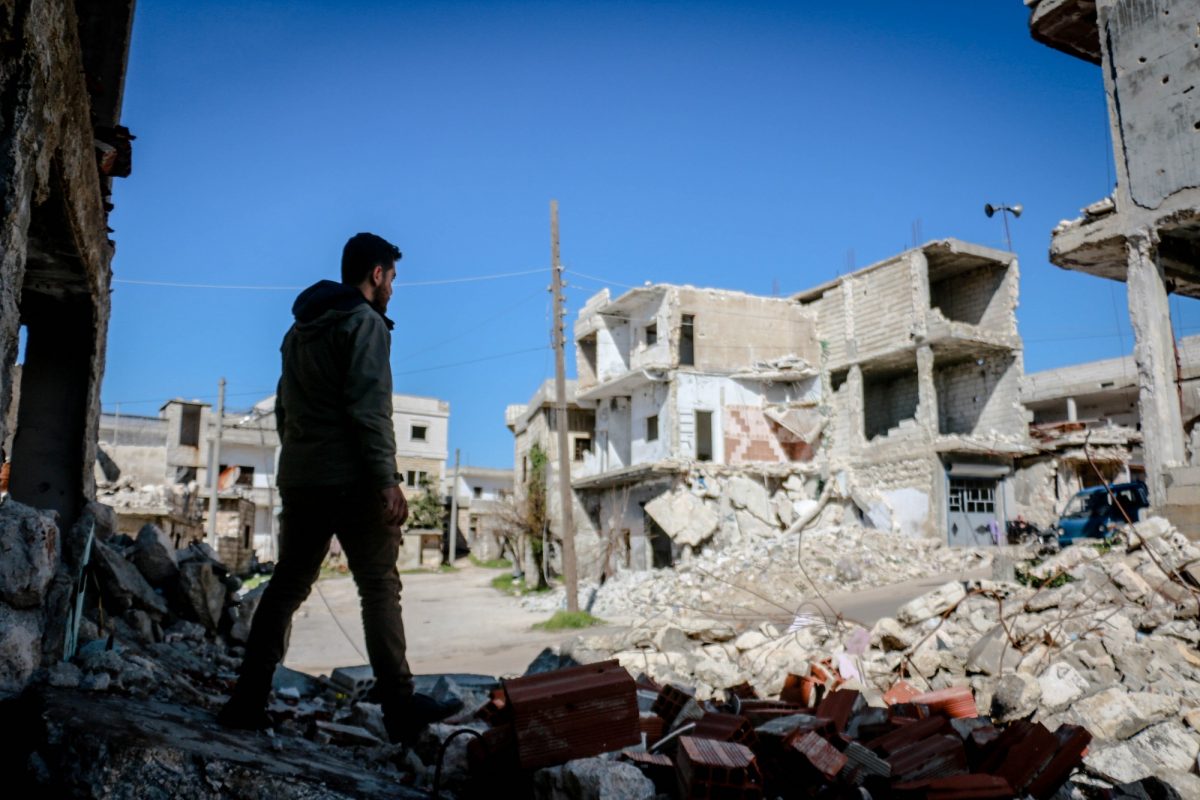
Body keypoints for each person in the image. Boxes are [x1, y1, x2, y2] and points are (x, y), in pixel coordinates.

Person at [218, 232, 460, 743]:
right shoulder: (364, 324)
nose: (393, 287)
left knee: (285, 587)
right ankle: (399, 710)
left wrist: (303, 463)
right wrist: (387, 479)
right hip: (353, 481)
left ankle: (246, 701)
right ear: (376, 274)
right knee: (378, 588)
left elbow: (285, 409)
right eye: (392, 277)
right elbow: (369, 407)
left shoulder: (298, 330)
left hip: (303, 478)